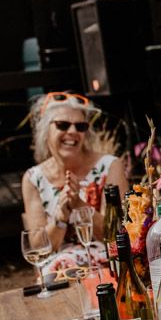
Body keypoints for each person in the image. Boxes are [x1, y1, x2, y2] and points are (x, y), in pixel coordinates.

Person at [21, 92, 128, 273]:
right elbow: (38, 249)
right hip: (58, 274)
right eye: (63, 125)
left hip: (106, 267)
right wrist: (61, 216)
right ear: (45, 131)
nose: (72, 132)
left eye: (80, 126)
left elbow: (118, 236)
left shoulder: (110, 166)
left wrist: (79, 205)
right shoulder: (33, 178)